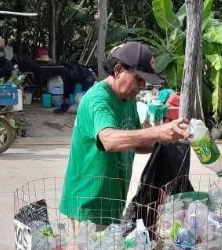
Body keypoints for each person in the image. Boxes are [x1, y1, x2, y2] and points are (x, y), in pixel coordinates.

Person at [60, 42, 191, 227]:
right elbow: (109, 140)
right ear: (118, 69)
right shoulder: (98, 100)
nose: (142, 86)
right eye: (138, 79)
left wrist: (167, 140)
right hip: (89, 210)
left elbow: (137, 143)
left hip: (113, 205)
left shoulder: (127, 99)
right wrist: (157, 131)